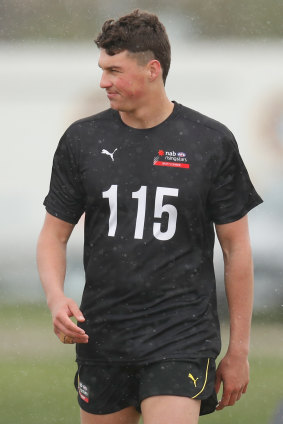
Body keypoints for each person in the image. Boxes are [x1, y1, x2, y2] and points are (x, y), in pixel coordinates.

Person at [37, 9, 263, 424]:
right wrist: (55, 297)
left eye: (114, 70)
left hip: (181, 335)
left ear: (152, 70)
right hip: (103, 335)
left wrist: (239, 349)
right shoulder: (82, 140)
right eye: (101, 69)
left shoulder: (210, 141)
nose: (103, 81)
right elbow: (53, 236)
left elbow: (236, 248)